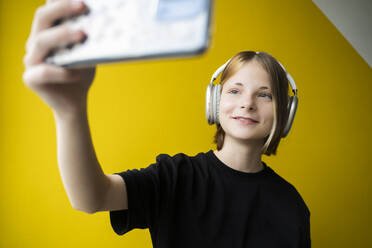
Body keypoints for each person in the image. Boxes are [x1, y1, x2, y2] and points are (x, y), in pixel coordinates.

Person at [23, 1, 311, 247]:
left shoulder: (291, 205)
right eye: (234, 91)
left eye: (264, 95)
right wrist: (70, 110)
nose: (247, 103)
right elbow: (91, 198)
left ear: (284, 113)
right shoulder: (176, 177)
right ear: (214, 102)